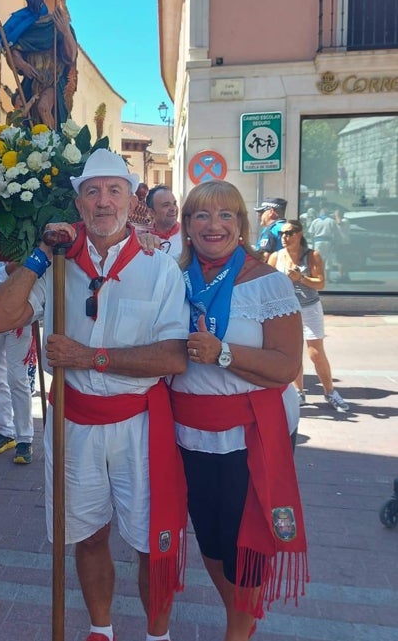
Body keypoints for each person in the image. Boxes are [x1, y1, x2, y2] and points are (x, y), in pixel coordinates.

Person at [0, 148, 189, 641]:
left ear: (131, 201)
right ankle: (102, 629)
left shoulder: (158, 266)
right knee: (87, 533)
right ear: (79, 205)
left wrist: (90, 357)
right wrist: (40, 253)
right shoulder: (57, 262)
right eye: (92, 192)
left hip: (140, 424)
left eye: (113, 191)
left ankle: (157, 636)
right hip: (73, 422)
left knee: (151, 543)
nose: (103, 202)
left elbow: (172, 357)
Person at [169, 181, 307, 641]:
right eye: (202, 216)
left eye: (226, 215)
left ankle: (237, 631)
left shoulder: (268, 282)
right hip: (188, 433)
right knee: (209, 538)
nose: (214, 225)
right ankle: (239, 615)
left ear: (241, 225)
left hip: (249, 435)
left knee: (244, 546)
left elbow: (287, 366)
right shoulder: (172, 275)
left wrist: (223, 353)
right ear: (186, 225)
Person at [268, 220, 350, 413]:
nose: (284, 237)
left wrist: (301, 279)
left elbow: (321, 283)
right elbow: (268, 283)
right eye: (282, 234)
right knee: (293, 352)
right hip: (287, 310)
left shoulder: (312, 255)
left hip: (309, 308)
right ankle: (299, 392)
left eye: (289, 233)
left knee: (315, 352)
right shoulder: (275, 257)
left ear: (299, 234)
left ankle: (330, 392)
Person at [0, 0, 77, 129]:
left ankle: (54, 145)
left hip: (53, 79)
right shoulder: (21, 24)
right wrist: (22, 64)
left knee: (44, 107)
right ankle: (37, 145)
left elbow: (70, 56)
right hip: (32, 80)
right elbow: (13, 51)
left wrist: (65, 32)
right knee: (24, 119)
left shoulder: (54, 23)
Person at [0, 261, 36, 464]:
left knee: (17, 378)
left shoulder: (21, 244)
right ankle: (5, 431)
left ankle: (24, 438)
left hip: (19, 317)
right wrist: (9, 270)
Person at [147, 185, 183, 261]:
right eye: (166, 205)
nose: (173, 209)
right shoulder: (144, 239)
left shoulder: (190, 235)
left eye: (174, 203)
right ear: (151, 212)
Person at [308, 205, 337, 274]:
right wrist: (334, 243)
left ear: (320, 213)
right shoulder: (331, 221)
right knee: (328, 259)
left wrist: (313, 242)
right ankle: (327, 277)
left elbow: (311, 233)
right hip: (328, 242)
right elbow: (335, 233)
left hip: (318, 242)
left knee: (317, 259)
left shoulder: (315, 221)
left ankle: (318, 275)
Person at [332, 208, 352, 282]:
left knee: (340, 260)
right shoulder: (342, 221)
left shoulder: (345, 220)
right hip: (342, 243)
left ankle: (341, 275)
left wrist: (336, 215)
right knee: (342, 260)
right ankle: (344, 275)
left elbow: (339, 223)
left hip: (343, 243)